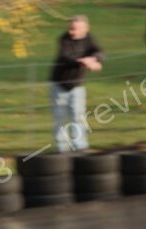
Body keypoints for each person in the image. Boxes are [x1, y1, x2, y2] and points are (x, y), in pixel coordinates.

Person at [49, 15, 103, 152]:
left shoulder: (89, 38)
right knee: (60, 116)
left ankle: (79, 146)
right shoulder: (64, 39)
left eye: (75, 29)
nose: (72, 32)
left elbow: (99, 51)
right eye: (70, 28)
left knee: (78, 115)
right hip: (59, 84)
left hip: (77, 85)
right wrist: (84, 62)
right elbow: (66, 56)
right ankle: (62, 147)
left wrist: (94, 59)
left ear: (85, 28)